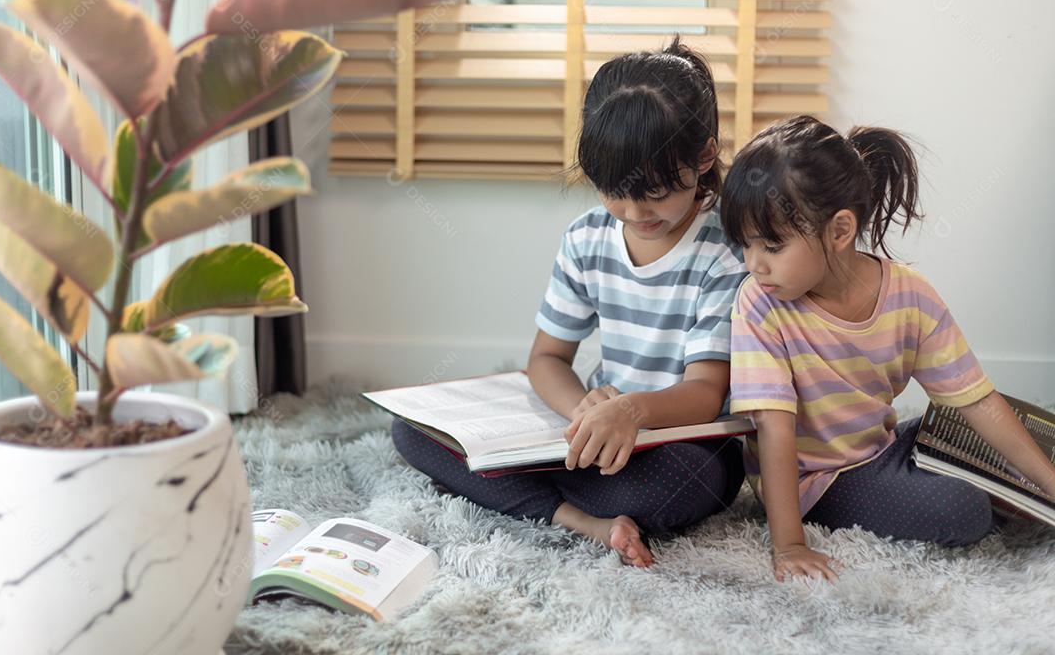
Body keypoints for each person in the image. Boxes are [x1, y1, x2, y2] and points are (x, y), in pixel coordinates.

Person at [392, 35, 749, 566]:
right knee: (413, 432)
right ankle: (579, 519)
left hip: (684, 442)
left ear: (703, 155)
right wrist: (582, 413)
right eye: (613, 192)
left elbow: (703, 391)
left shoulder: (725, 250)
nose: (632, 212)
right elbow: (547, 359)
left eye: (655, 194)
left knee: (672, 488)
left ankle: (544, 497)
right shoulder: (588, 238)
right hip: (600, 435)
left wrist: (630, 410)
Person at [720, 115, 1055, 582]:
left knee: (992, 431)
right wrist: (789, 545)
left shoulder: (909, 293)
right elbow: (773, 431)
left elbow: (975, 400)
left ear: (839, 231)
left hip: (881, 447)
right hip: (818, 481)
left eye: (771, 246)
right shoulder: (760, 305)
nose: (754, 264)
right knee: (962, 511)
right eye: (745, 245)